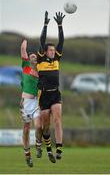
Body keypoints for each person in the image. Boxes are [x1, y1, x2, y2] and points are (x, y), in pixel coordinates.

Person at [37, 11, 65, 161]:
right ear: (45, 51)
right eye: (51, 50)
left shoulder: (57, 59)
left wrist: (60, 25)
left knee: (58, 119)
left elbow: (62, 42)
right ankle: (48, 149)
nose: (53, 52)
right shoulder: (41, 59)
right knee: (46, 125)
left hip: (55, 94)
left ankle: (59, 149)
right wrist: (46, 25)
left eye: (54, 50)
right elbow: (42, 40)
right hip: (44, 95)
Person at [20, 40, 43, 167]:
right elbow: (23, 50)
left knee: (39, 126)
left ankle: (38, 145)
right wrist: (24, 43)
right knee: (26, 129)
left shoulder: (40, 72)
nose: (34, 57)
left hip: (36, 102)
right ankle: (27, 155)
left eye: (35, 56)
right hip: (25, 103)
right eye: (32, 56)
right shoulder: (26, 67)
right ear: (28, 59)